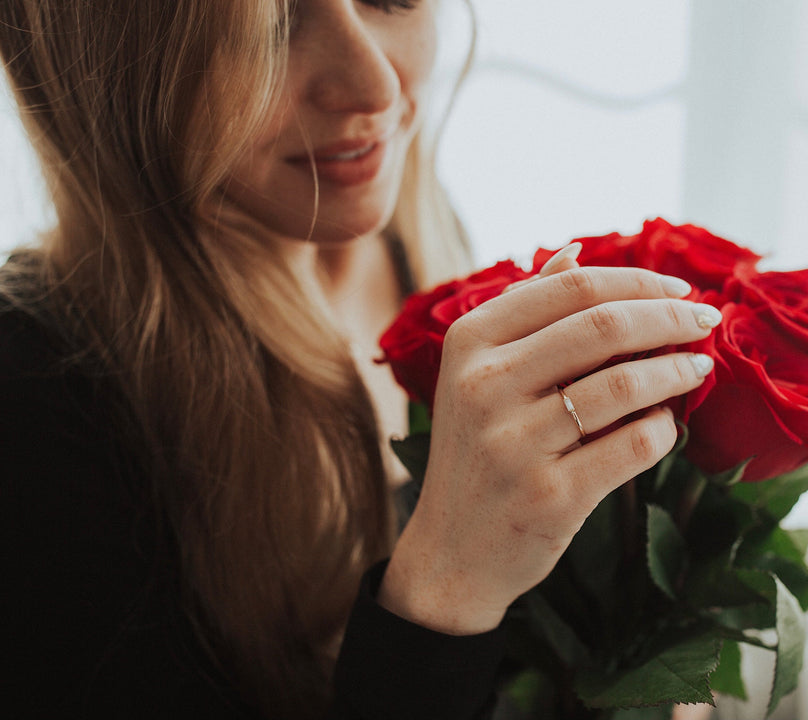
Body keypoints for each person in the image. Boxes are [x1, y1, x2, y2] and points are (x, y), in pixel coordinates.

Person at [0, 1, 721, 718]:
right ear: (97, 66)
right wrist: (444, 589)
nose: (376, 86)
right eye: (269, 28)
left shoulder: (406, 232)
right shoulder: (33, 393)